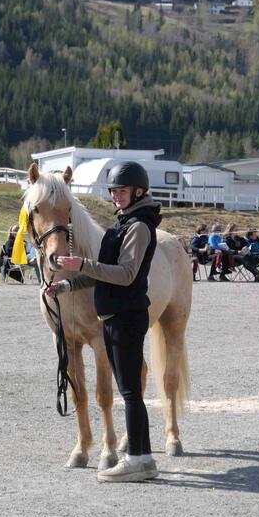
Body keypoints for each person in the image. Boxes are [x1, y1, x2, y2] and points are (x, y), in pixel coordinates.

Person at [46, 161, 160, 483]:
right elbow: (99, 274)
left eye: (122, 191)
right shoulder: (123, 223)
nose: (117, 196)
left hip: (127, 316)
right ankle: (143, 457)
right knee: (129, 392)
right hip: (113, 316)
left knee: (129, 393)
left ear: (138, 191)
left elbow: (124, 275)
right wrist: (68, 284)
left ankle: (138, 458)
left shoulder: (138, 227)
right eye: (113, 191)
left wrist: (82, 263)